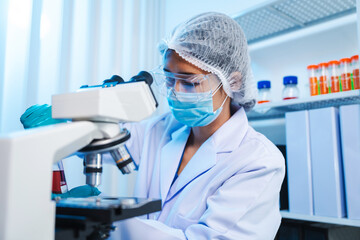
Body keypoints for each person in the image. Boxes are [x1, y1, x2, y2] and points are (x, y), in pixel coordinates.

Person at [21, 12, 285, 239]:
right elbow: (102, 139)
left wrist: (101, 221)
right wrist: (66, 121)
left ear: (233, 82)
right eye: (169, 80)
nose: (175, 92)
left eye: (190, 82)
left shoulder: (258, 161)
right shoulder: (161, 128)